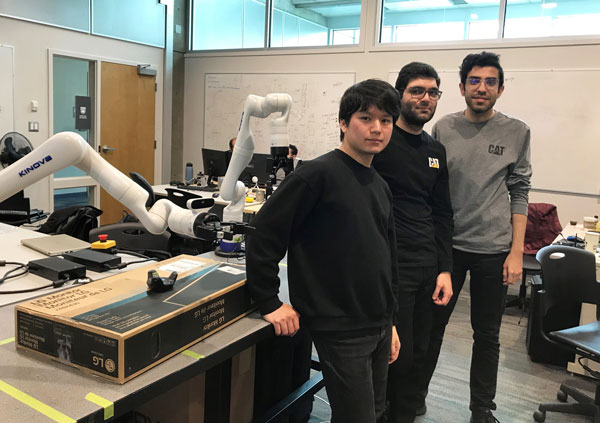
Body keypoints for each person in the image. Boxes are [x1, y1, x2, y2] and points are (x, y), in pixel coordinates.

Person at [246, 79, 402, 423]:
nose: (377, 128)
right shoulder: (315, 176)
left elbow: (387, 258)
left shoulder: (380, 185)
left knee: (373, 412)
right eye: (366, 118)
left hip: (376, 321)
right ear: (344, 123)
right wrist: (268, 300)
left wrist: (390, 323)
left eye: (386, 120)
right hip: (339, 324)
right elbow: (262, 234)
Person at [422, 51, 532, 423]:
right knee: (431, 328)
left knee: (487, 335)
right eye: (474, 81)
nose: (481, 88)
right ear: (461, 87)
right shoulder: (443, 128)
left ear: (500, 89)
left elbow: (519, 191)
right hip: (447, 249)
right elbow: (432, 189)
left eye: (489, 82)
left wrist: (516, 252)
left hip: (493, 250)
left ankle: (481, 409)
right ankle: (414, 396)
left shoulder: (517, 132)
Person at [372, 62, 453, 423]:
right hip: (392, 266)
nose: (426, 98)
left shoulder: (436, 150)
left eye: (433, 92)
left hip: (428, 267)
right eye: (417, 91)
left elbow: (442, 213)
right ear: (400, 94)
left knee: (419, 353)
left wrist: (445, 270)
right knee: (393, 355)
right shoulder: (380, 143)